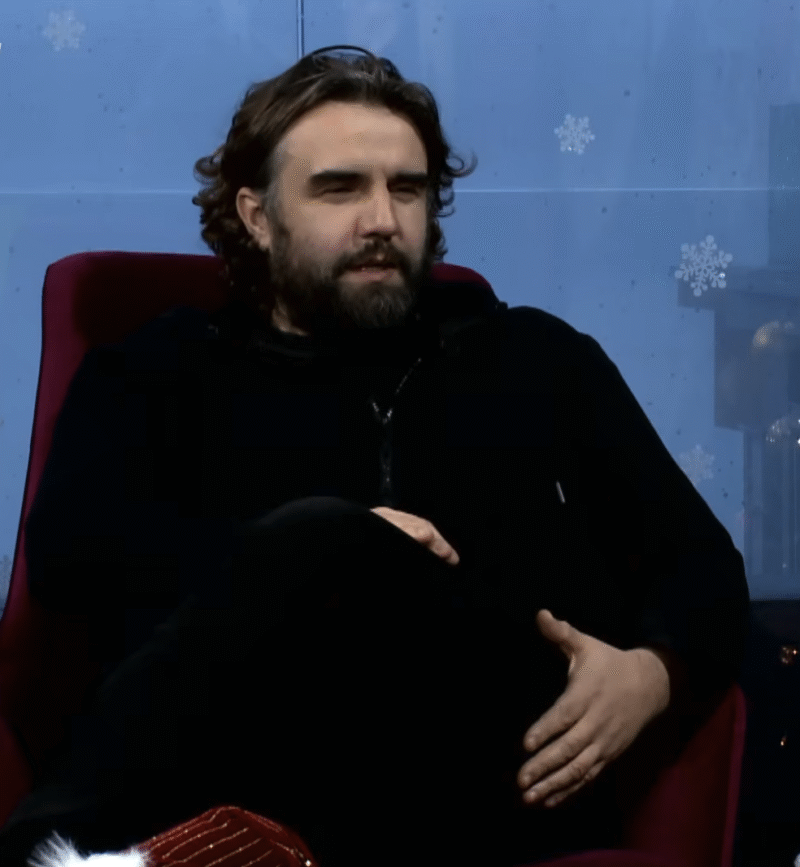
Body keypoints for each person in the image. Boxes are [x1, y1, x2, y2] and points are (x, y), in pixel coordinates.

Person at [0, 46, 750, 867]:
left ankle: (46, 856)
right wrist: (329, 547)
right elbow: (73, 555)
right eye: (340, 188)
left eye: (408, 188)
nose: (383, 219)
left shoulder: (536, 358)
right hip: (248, 755)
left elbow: (703, 564)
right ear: (256, 215)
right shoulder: (155, 370)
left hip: (496, 761)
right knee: (322, 537)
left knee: (327, 538)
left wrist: (654, 672)